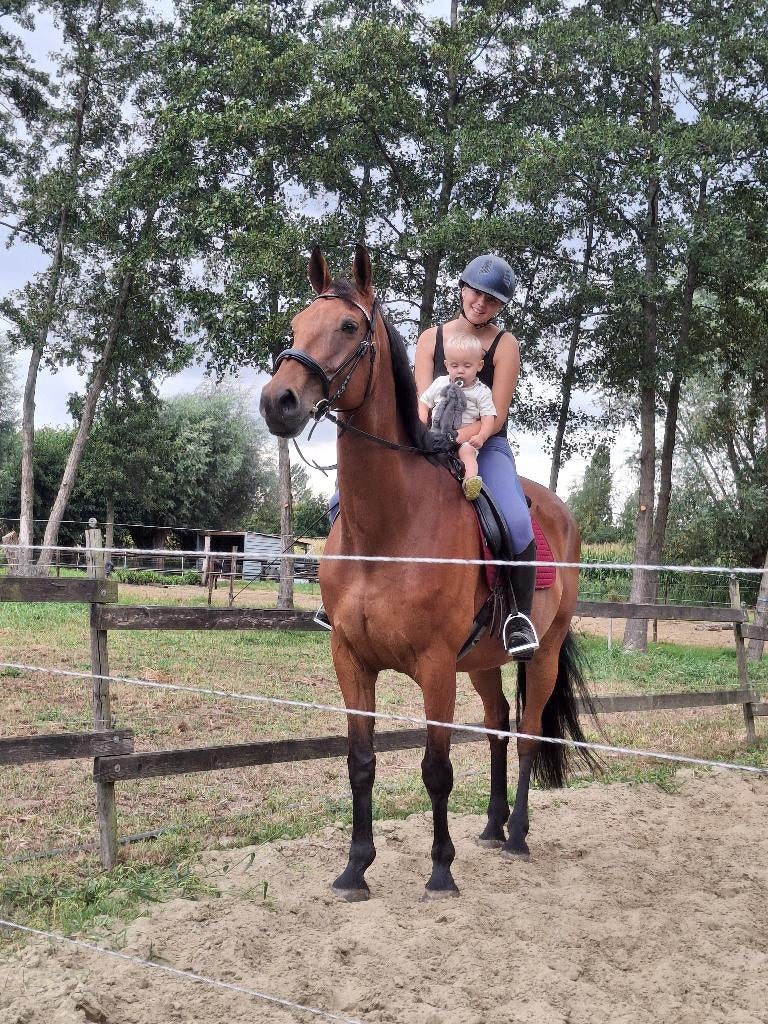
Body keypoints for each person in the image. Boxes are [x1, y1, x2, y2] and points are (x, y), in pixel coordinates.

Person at [414, 254, 538, 658]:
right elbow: (421, 401)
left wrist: (452, 438)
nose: (481, 303)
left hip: (485, 444)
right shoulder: (430, 339)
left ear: (501, 305)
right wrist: (424, 436)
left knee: (516, 522)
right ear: (462, 288)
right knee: (346, 497)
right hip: (427, 441)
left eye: (492, 299)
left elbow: (495, 416)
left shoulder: (505, 345)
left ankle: (518, 618)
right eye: (476, 292)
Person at [418, 333, 496, 501]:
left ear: (479, 365)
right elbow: (423, 402)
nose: (460, 370)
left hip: (464, 439)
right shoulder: (440, 383)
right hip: (435, 435)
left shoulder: (481, 392)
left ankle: (470, 481)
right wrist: (422, 420)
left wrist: (481, 436)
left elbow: (488, 418)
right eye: (454, 365)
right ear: (446, 365)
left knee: (468, 452)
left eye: (467, 366)